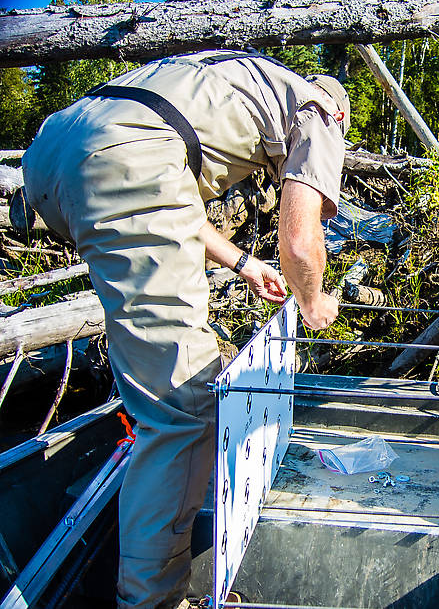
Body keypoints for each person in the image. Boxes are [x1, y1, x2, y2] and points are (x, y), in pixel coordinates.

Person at [22, 49, 349, 609]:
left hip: (52, 153)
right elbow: (300, 240)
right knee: (184, 407)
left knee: (165, 374)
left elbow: (162, 188)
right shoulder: (320, 111)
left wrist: (243, 265)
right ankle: (150, 600)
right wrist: (315, 301)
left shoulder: (230, 76)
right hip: (124, 159)